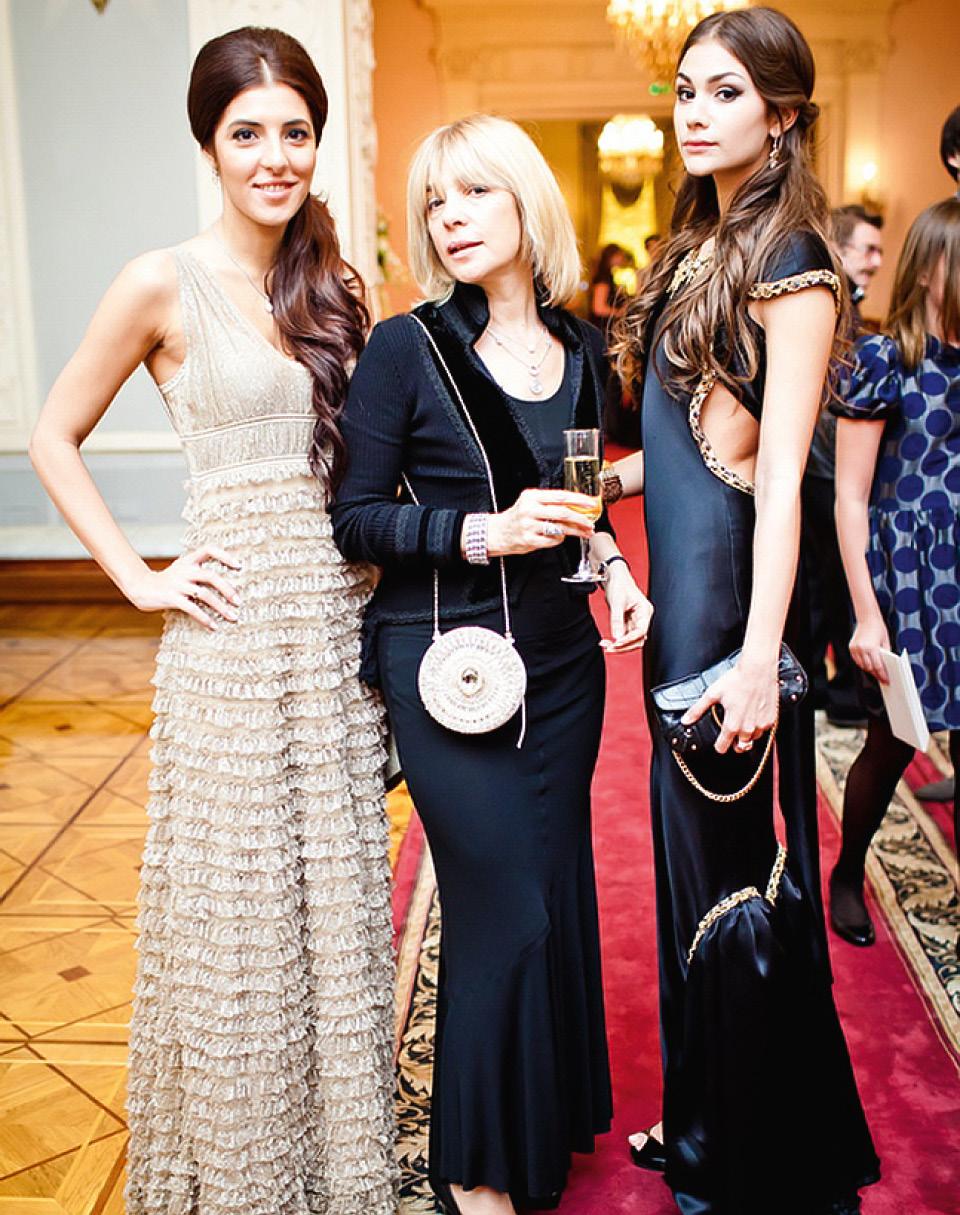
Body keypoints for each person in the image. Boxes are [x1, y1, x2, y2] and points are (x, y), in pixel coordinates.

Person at [28, 27, 398, 1215]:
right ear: (209, 145)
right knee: (237, 928)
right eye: (249, 134)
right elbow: (51, 434)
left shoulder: (338, 286)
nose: (275, 156)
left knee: (334, 914)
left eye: (296, 132)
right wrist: (137, 578)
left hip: (335, 636)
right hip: (232, 641)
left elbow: (375, 467)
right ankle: (240, 1182)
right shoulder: (160, 280)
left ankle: (334, 1175)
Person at [332, 115, 652, 1215]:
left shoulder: (580, 350)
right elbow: (355, 518)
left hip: (562, 668)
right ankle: (476, 1176)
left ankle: (535, 1130)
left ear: (526, 202)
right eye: (435, 201)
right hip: (448, 667)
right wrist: (482, 532)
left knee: (552, 897)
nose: (451, 217)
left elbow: (578, 501)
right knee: (502, 909)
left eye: (474, 192)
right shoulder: (405, 348)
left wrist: (613, 566)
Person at [604, 8, 879, 1212]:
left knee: (729, 891)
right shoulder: (700, 248)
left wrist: (761, 657)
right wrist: (608, 487)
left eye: (724, 92)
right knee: (693, 886)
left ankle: (749, 1158)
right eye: (685, 90)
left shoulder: (792, 257)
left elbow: (776, 484)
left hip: (728, 623)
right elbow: (699, 443)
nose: (695, 112)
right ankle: (706, 1114)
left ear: (782, 114)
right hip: (687, 606)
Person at [829, 197, 960, 947]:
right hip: (908, 580)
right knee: (892, 742)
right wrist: (867, 613)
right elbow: (850, 497)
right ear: (933, 267)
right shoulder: (887, 359)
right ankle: (848, 871)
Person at [801, 205, 885, 727]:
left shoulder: (846, 307)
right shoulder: (827, 307)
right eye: (868, 249)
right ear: (840, 249)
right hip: (821, 465)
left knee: (825, 584)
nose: (877, 261)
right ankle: (829, 689)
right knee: (824, 583)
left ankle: (827, 687)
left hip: (827, 465)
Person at [588, 241, 630, 331]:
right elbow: (598, 308)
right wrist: (619, 313)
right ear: (612, 257)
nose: (622, 259)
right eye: (620, 255)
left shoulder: (607, 276)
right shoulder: (603, 278)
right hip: (601, 327)